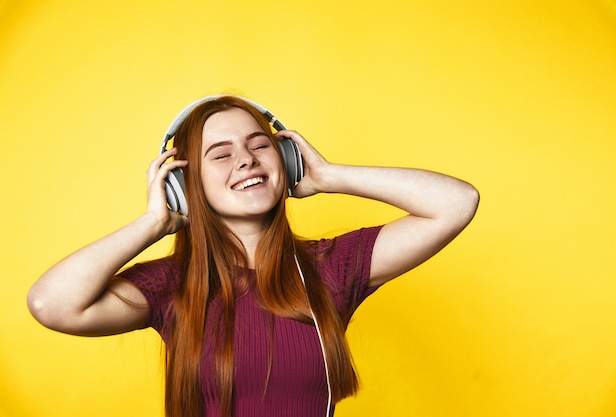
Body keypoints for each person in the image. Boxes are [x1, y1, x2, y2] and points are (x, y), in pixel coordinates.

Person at [27, 95, 479, 417]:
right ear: (186, 188)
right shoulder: (170, 285)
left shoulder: (330, 269)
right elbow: (52, 303)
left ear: (287, 160)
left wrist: (329, 175)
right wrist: (153, 223)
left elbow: (456, 203)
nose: (245, 160)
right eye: (220, 155)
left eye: (259, 145)